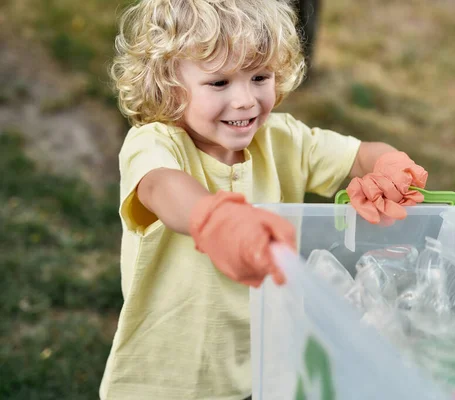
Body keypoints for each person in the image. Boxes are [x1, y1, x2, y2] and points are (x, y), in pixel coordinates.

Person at [100, 0, 429, 399]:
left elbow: (361, 155)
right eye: (220, 82)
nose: (245, 100)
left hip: (265, 371)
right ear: (169, 85)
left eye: (259, 76)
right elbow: (161, 187)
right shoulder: (156, 143)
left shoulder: (283, 139)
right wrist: (216, 220)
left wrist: (388, 167)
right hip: (171, 378)